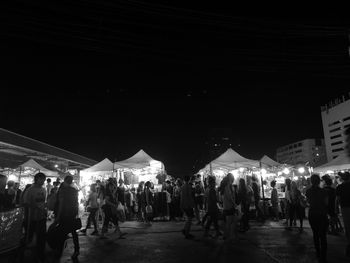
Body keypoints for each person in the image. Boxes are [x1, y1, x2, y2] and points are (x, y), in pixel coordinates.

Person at [23, 172, 47, 262]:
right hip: (31, 218)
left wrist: (44, 209)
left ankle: (40, 254)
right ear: (36, 179)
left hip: (42, 217)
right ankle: (26, 254)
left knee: (41, 237)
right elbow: (25, 203)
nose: (43, 181)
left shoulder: (44, 189)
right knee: (29, 236)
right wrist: (35, 207)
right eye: (41, 179)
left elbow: (44, 202)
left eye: (43, 179)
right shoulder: (30, 190)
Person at [55, 175, 80, 259]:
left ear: (65, 181)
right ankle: (77, 249)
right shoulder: (74, 190)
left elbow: (61, 204)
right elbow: (76, 203)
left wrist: (58, 216)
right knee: (73, 232)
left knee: (61, 233)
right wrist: (76, 213)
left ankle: (59, 251)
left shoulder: (62, 190)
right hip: (72, 214)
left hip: (64, 215)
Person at [306, 174, 329, 263]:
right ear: (319, 181)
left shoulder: (308, 191)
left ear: (311, 181)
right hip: (322, 214)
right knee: (323, 236)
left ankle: (318, 253)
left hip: (312, 214)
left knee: (315, 234)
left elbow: (308, 203)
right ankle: (323, 256)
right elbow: (326, 203)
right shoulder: (324, 191)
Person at [220, 173, 238, 243]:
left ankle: (228, 235)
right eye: (232, 177)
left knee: (232, 221)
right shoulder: (227, 187)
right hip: (229, 206)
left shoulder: (229, 186)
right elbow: (229, 197)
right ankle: (228, 236)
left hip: (228, 206)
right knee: (230, 222)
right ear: (230, 178)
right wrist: (234, 204)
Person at [336, 171, 350, 257]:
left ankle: (349, 243)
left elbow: (337, 199)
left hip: (345, 208)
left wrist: (336, 209)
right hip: (345, 208)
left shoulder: (339, 187)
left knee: (347, 226)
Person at [180, 175, 196, 239]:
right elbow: (190, 197)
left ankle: (184, 230)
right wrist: (193, 204)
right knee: (189, 219)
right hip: (188, 205)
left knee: (188, 218)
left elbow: (182, 197)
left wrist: (181, 205)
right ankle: (187, 233)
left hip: (184, 204)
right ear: (189, 179)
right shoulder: (188, 187)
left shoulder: (182, 186)